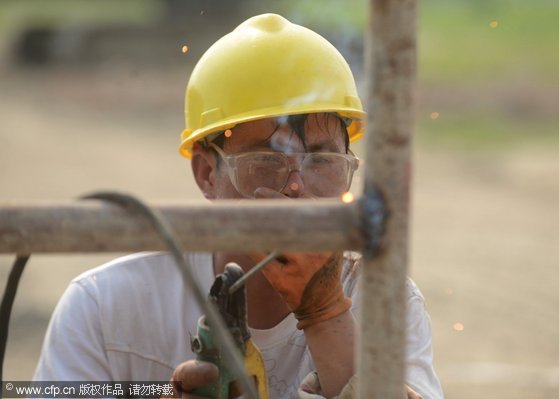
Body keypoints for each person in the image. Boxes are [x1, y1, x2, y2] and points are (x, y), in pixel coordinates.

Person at [34, 14, 443, 399]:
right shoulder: (107, 309)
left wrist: (326, 313)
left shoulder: (385, 305)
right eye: (266, 161)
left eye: (322, 160)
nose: (297, 187)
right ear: (207, 173)